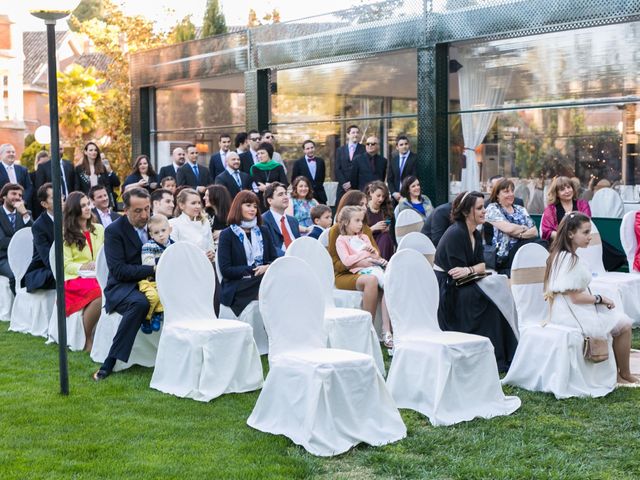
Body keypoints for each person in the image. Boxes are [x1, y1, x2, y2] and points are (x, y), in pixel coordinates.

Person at [544, 212, 638, 385]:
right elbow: (575, 297)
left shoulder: (564, 255)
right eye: (586, 233)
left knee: (621, 321)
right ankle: (623, 374)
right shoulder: (568, 259)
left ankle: (622, 374)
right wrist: (600, 299)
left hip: (568, 309)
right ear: (571, 234)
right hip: (571, 313)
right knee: (623, 324)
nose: (590, 237)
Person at [434, 191, 518, 372]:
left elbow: (480, 266)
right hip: (448, 290)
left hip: (465, 283)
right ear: (466, 212)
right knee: (488, 302)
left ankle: (502, 355)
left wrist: (470, 269)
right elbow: (458, 275)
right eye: (479, 208)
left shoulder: (475, 234)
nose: (484, 211)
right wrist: (472, 270)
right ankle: (490, 357)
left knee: (497, 299)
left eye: (484, 207)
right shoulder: (456, 233)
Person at [94, 188, 155, 381]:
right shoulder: (114, 231)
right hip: (122, 286)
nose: (144, 215)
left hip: (156, 284)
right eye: (138, 211)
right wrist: (153, 270)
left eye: (147, 209)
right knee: (140, 303)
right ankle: (110, 360)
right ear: (125, 210)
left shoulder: (157, 224)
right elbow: (119, 270)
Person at [327, 190, 392, 347]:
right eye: (360, 204)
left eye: (365, 204)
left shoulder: (364, 229)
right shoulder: (337, 231)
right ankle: (367, 328)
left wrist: (371, 258)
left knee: (388, 280)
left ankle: (387, 330)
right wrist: (359, 263)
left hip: (368, 269)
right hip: (344, 274)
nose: (365, 207)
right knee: (371, 280)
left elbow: (376, 252)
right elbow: (336, 263)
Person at [542, 176, 625, 271]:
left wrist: (577, 237)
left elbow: (586, 223)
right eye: (562, 189)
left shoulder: (582, 204)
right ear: (556, 193)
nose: (567, 191)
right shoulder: (551, 209)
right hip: (561, 242)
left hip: (581, 238)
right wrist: (566, 237)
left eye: (569, 187)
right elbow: (547, 231)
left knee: (599, 243)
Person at [217, 191, 278, 316]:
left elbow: (274, 259)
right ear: (238, 207)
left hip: (263, 279)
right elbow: (226, 270)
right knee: (267, 280)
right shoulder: (227, 234)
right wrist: (254, 270)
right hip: (238, 284)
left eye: (255, 206)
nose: (253, 209)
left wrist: (267, 267)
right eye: (248, 205)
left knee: (277, 277)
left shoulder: (263, 231)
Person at [62, 191, 104, 352]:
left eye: (88, 204)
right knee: (99, 292)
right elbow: (65, 264)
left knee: (104, 287)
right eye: (83, 206)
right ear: (74, 210)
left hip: (97, 274)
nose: (88, 208)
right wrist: (83, 267)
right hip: (75, 278)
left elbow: (106, 254)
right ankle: (87, 339)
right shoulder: (66, 233)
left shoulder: (99, 229)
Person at [485, 178, 540, 275]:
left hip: (522, 246)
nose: (511, 194)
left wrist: (518, 234)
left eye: (512, 191)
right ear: (497, 195)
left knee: (542, 243)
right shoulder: (492, 208)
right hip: (505, 252)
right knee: (536, 245)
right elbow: (508, 229)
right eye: (506, 192)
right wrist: (524, 227)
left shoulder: (520, 209)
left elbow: (535, 232)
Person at [336, 206, 388, 287]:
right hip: (361, 270)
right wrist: (365, 253)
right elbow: (347, 261)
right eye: (357, 220)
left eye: (361, 220)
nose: (361, 224)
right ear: (346, 222)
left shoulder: (364, 237)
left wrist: (377, 257)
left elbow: (375, 255)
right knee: (385, 283)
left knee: (391, 277)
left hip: (375, 266)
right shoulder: (341, 240)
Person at [138, 214, 174, 333]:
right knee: (155, 296)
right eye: (156, 232)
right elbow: (147, 263)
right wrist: (165, 259)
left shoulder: (174, 245)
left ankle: (159, 315)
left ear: (170, 229)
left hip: (169, 279)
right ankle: (150, 317)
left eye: (163, 230)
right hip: (152, 280)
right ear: (151, 234)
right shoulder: (148, 246)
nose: (161, 234)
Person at [0, 183, 32, 293]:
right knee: (15, 274)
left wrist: (24, 214)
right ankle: (17, 307)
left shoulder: (25, 213)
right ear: (4, 196)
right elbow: (2, 242)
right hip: (3, 258)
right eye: (13, 193)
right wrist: (22, 242)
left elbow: (34, 235)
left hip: (22, 257)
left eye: (20, 195)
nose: (18, 197)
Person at [23, 183, 56, 293]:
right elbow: (48, 260)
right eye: (54, 197)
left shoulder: (70, 218)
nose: (60, 199)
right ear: (44, 204)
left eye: (61, 195)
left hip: (68, 265)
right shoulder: (39, 226)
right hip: (43, 271)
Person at [169, 188, 215, 261]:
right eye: (193, 203)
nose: (198, 206)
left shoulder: (205, 222)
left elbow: (210, 246)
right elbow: (175, 251)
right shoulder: (173, 223)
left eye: (199, 203)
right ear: (181, 205)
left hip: (205, 267)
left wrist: (211, 254)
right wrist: (200, 255)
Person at [74, 142, 120, 209]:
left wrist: (109, 204)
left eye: (95, 150)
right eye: (91, 150)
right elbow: (77, 188)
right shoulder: (79, 169)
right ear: (85, 152)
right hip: (87, 203)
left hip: (102, 202)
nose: (94, 152)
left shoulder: (102, 167)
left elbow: (108, 186)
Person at [261, 182, 300, 257]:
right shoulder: (263, 220)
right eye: (280, 194)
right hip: (280, 261)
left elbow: (299, 243)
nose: (285, 197)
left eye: (286, 193)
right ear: (270, 200)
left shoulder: (293, 221)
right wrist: (289, 257)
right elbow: (270, 248)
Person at [250, 142, 288, 211]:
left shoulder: (278, 167)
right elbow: (260, 185)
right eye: (258, 154)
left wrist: (267, 187)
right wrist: (275, 187)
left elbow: (284, 184)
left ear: (269, 153)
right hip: (262, 201)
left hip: (278, 201)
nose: (259, 156)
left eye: (262, 153)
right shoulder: (255, 168)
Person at [335, 125, 365, 205]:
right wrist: (344, 184)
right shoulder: (340, 150)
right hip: (342, 188)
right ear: (348, 135)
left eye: (357, 133)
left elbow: (363, 169)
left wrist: (351, 183)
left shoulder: (364, 149)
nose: (355, 134)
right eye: (353, 132)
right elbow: (337, 169)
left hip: (357, 187)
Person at [291, 140, 327, 205]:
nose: (310, 150)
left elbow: (322, 178)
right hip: (305, 197)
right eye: (307, 148)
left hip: (320, 196)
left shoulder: (321, 161)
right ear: (304, 150)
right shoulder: (298, 163)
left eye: (312, 147)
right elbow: (294, 180)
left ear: (314, 148)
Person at [366, 181, 394, 260]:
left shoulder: (386, 209)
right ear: (371, 193)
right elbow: (357, 234)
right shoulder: (364, 209)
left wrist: (387, 228)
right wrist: (373, 228)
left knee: (386, 237)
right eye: (378, 196)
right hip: (368, 242)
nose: (381, 199)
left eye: (383, 196)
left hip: (383, 241)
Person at [0, 144, 33, 210]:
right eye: (8, 152)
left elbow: (29, 187)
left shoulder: (22, 170)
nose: (11, 154)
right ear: (1, 154)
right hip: (3, 207)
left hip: (21, 207)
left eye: (13, 152)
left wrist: (22, 201)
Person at [387, 135, 417, 202]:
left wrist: (407, 193)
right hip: (396, 198)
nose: (404, 146)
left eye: (406, 144)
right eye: (401, 145)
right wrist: (394, 193)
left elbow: (415, 177)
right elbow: (390, 179)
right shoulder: (393, 160)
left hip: (410, 196)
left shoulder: (415, 158)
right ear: (397, 147)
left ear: (409, 145)